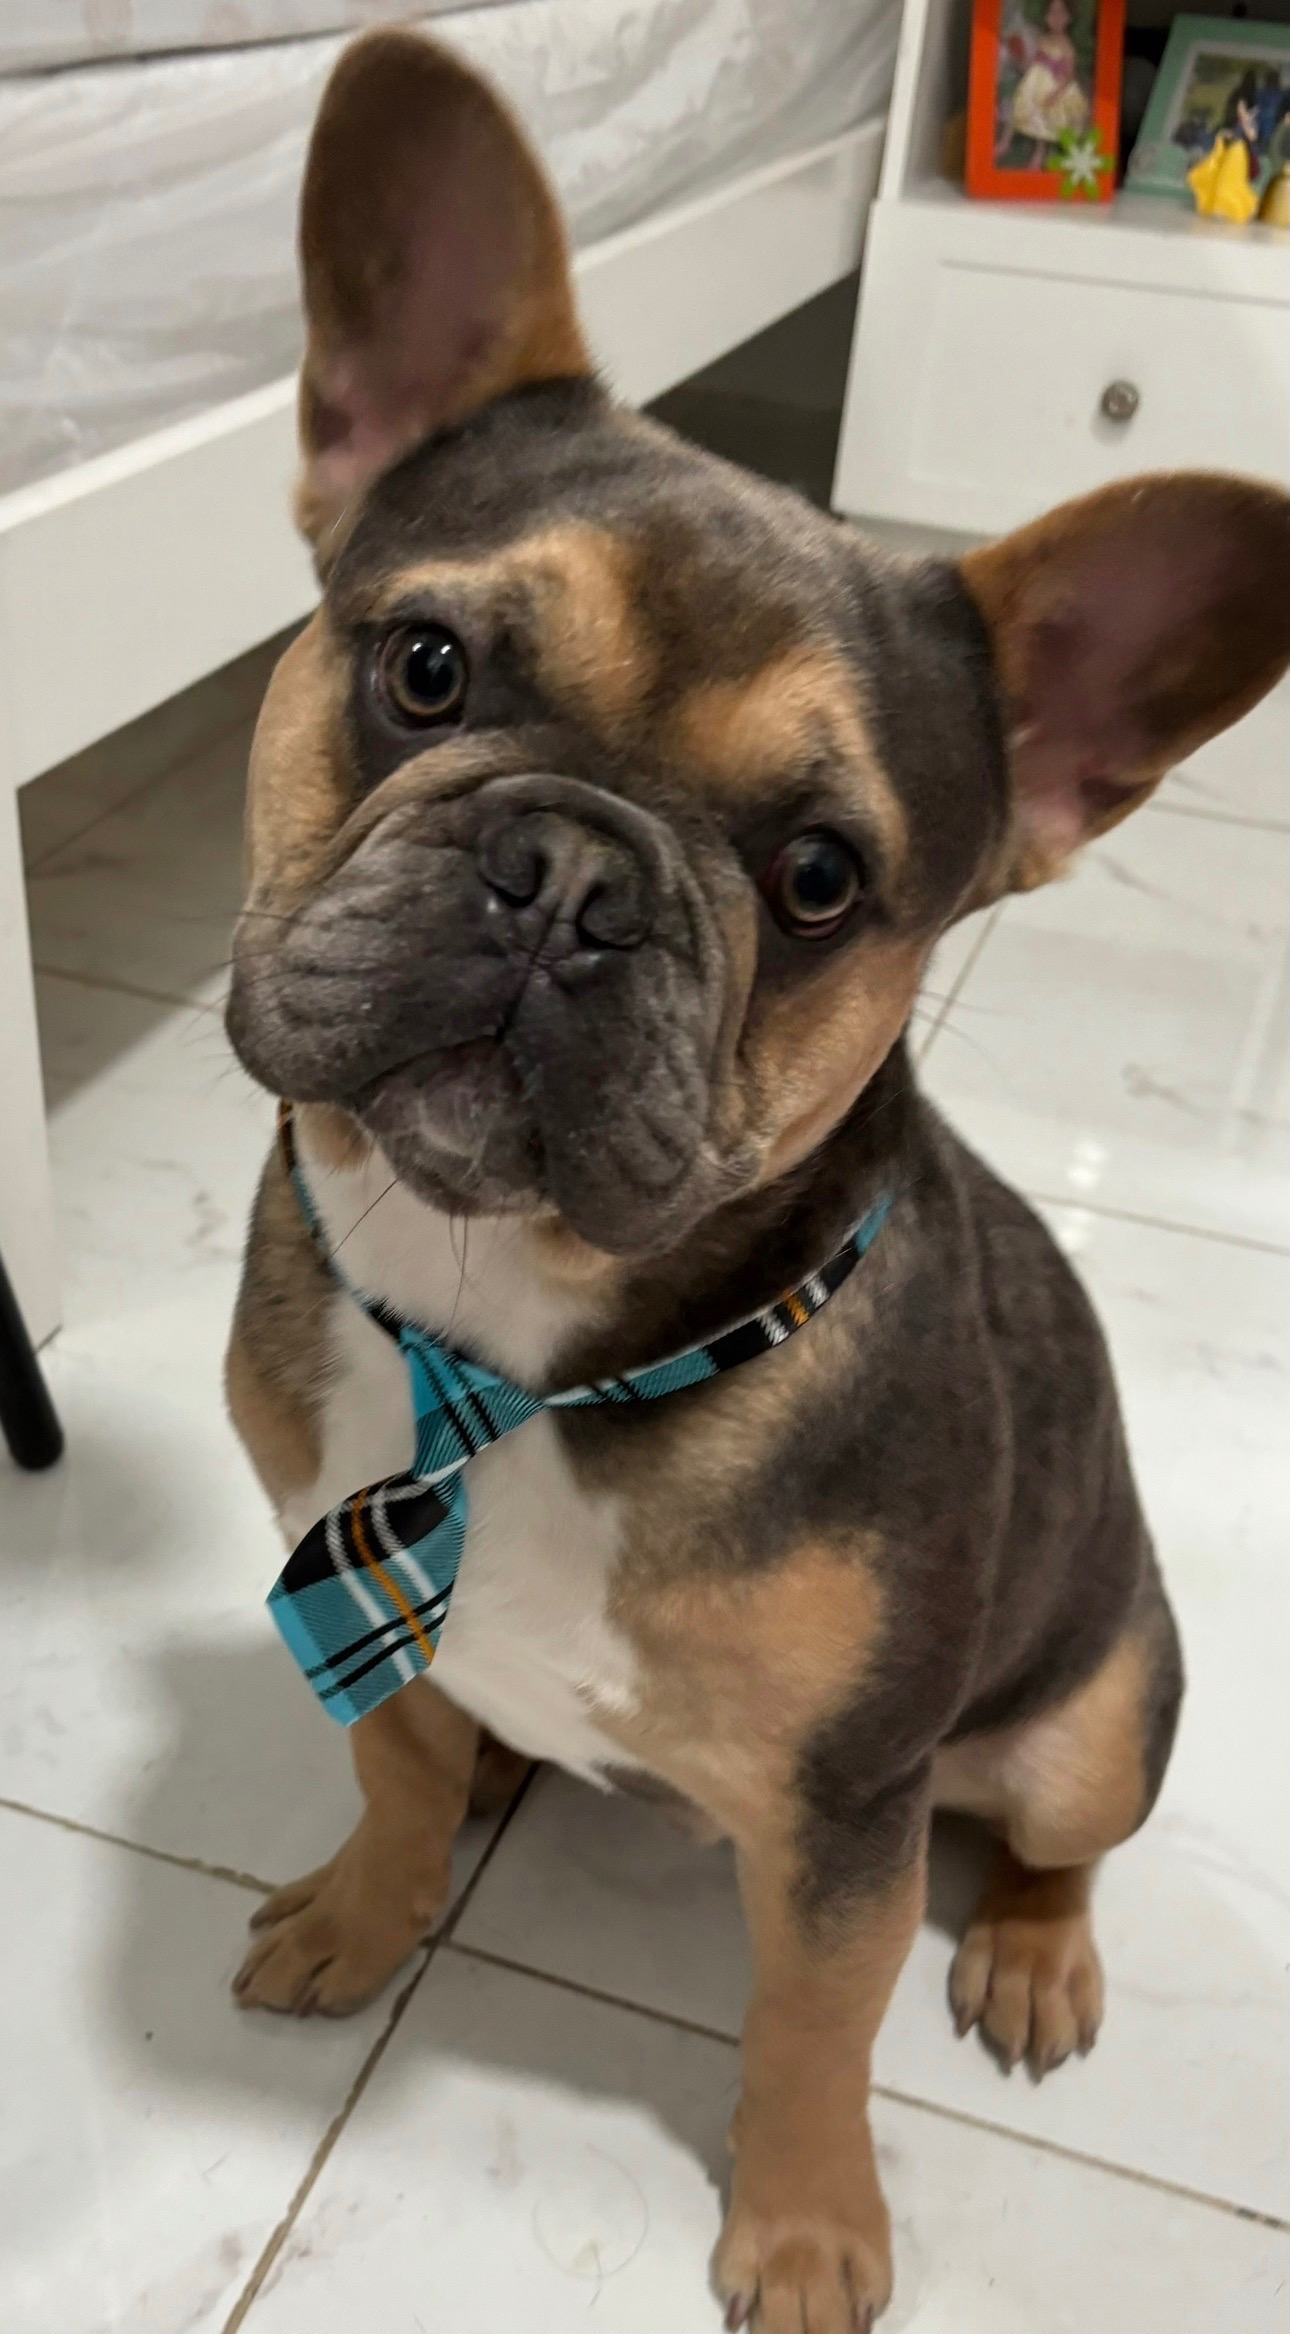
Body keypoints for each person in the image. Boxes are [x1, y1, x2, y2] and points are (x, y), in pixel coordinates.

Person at [998, 0, 1090, 166]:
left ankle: (1040, 153)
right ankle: (1005, 142)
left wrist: (1057, 92)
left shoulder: (1066, 44)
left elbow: (1070, 74)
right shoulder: (1043, 38)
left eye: (1061, 14)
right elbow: (1037, 60)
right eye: (1052, 13)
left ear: (1069, 18)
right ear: (1046, 17)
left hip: (1054, 85)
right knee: (1018, 105)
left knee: (1046, 116)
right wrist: (1024, 63)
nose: (1056, 18)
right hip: (1036, 82)